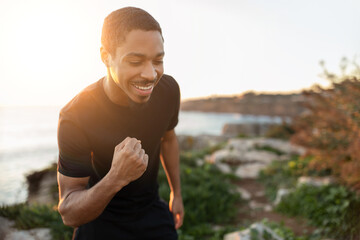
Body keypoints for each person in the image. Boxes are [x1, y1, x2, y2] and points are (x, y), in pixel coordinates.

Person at [56, 7, 184, 239]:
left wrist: (177, 193)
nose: (150, 74)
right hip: (99, 217)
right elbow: (69, 213)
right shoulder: (76, 115)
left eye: (158, 60)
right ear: (106, 57)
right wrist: (116, 177)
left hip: (151, 210)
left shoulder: (168, 90)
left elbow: (169, 139)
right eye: (135, 61)